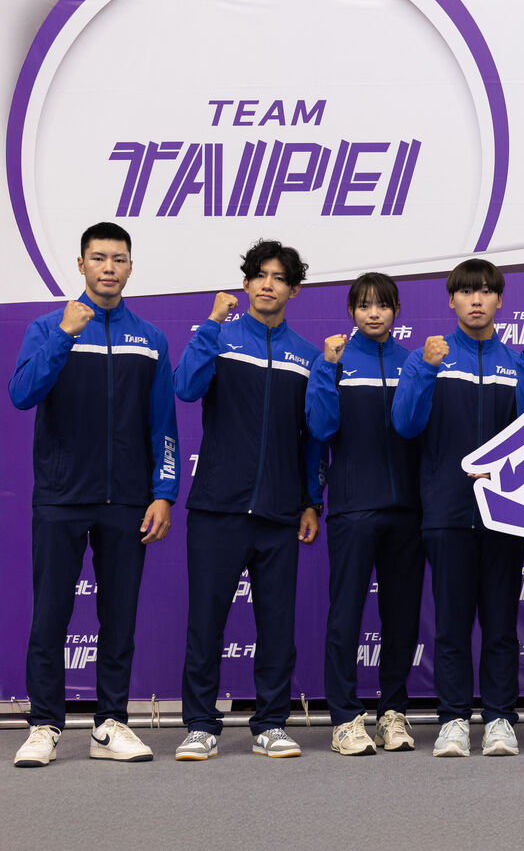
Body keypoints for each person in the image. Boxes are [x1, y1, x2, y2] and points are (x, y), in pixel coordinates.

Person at [9, 222, 178, 767]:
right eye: (99, 258)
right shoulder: (46, 327)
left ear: (131, 266)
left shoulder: (150, 339)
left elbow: (163, 423)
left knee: (119, 619)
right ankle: (44, 725)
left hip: (127, 500)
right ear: (81, 265)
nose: (109, 268)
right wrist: (65, 333)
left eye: (119, 259)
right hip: (61, 496)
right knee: (50, 616)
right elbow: (22, 394)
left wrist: (164, 491)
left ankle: (110, 724)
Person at [391, 259, 524, 757]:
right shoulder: (429, 357)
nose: (476, 300)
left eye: (485, 291)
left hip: (504, 512)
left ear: (499, 299)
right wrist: (425, 368)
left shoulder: (516, 361)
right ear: (452, 300)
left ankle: (500, 719)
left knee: (501, 625)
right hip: (446, 512)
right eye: (466, 292)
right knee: (452, 626)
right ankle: (454, 719)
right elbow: (406, 425)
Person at [173, 240, 323, 760]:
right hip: (217, 507)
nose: (268, 284)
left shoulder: (307, 355)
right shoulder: (218, 337)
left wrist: (311, 500)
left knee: (277, 626)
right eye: (260, 275)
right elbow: (185, 387)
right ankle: (200, 725)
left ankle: (271, 724)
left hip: (280, 513)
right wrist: (211, 324)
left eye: (279, 278)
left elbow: (313, 438)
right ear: (246, 283)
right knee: (206, 622)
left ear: (293, 290)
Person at [306, 273, 424, 756]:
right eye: (364, 306)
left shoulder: (413, 362)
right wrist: (326, 370)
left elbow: (420, 430)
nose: (374, 314)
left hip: (408, 511)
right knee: (346, 615)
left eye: (383, 305)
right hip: (353, 508)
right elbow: (320, 428)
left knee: (402, 615)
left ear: (396, 310)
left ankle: (392, 712)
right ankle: (344, 718)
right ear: (352, 311)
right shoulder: (334, 360)